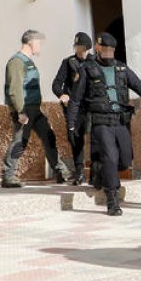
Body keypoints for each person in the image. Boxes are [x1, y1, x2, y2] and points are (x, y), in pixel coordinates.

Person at [65, 32, 141, 216]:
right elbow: (75, 99)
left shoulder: (122, 69)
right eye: (106, 49)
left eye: (112, 50)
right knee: (110, 157)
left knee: (124, 160)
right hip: (101, 122)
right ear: (98, 47)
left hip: (120, 122)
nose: (109, 53)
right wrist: (71, 123)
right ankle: (112, 200)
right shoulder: (87, 69)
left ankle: (99, 169)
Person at [2, 30, 72, 188]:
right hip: (24, 109)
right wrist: (20, 111)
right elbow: (15, 89)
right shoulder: (17, 62)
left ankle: (61, 172)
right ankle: (8, 175)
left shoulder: (28, 61)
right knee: (20, 141)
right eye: (39, 42)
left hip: (35, 109)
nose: (40, 46)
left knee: (49, 136)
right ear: (31, 42)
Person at [52, 32, 94, 185]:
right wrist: (61, 94)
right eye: (76, 47)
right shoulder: (68, 62)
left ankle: (96, 172)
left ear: (88, 48)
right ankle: (80, 172)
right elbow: (56, 84)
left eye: (81, 48)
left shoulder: (95, 61)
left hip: (90, 106)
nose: (78, 51)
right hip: (74, 108)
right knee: (76, 140)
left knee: (97, 137)